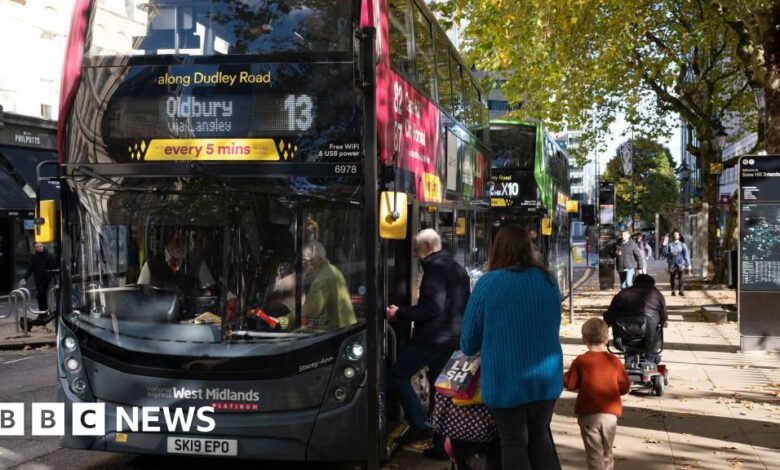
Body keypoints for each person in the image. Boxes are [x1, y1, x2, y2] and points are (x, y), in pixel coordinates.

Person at [461, 225, 563, 470]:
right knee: (540, 436)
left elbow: (468, 342)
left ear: (498, 250)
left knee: (514, 442)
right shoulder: (548, 281)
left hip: (506, 379)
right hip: (546, 379)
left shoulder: (488, 284)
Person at [386, 229, 470, 460]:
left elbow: (432, 308)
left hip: (433, 339)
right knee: (442, 392)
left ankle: (420, 423)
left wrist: (399, 313)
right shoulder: (456, 267)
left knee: (396, 376)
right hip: (454, 339)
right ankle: (442, 447)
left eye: (415, 250)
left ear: (425, 248)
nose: (414, 255)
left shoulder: (433, 269)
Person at [563, 318, 631, 470]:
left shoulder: (581, 361)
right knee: (607, 453)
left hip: (588, 414)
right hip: (610, 414)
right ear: (607, 339)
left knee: (594, 455)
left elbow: (570, 383)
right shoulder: (614, 361)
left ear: (583, 339)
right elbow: (625, 385)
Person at [276, 240, 356, 331]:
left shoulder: (323, 278)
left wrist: (285, 321)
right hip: (342, 328)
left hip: (334, 331)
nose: (302, 264)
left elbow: (312, 308)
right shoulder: (332, 270)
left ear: (313, 260)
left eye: (303, 260)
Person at [603, 274, 667, 362]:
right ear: (652, 285)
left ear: (634, 283)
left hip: (624, 339)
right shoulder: (657, 295)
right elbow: (664, 317)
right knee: (654, 336)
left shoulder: (622, 294)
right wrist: (662, 322)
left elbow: (609, 315)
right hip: (649, 338)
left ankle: (629, 362)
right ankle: (650, 361)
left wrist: (608, 322)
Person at [137, 228, 216, 296]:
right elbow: (140, 294)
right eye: (177, 241)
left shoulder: (197, 264)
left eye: (184, 241)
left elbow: (210, 292)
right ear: (168, 240)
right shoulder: (151, 265)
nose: (181, 245)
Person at [19, 242, 57, 329]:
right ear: (35, 248)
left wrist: (48, 277)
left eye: (40, 246)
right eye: (37, 247)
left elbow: (53, 268)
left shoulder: (49, 256)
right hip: (38, 279)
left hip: (46, 279)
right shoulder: (34, 257)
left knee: (40, 295)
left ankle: (44, 313)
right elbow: (30, 269)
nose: (39, 248)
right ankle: (43, 313)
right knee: (41, 296)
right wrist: (24, 278)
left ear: (43, 246)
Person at [662, 229, 691, 296]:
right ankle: (673, 290)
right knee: (672, 277)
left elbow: (686, 254)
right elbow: (664, 253)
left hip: (681, 263)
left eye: (677, 235)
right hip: (672, 264)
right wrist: (669, 253)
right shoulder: (669, 245)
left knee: (681, 277)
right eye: (674, 235)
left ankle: (681, 290)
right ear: (672, 236)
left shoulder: (683, 245)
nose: (676, 236)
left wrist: (688, 264)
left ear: (679, 236)